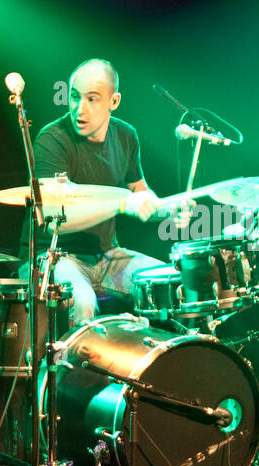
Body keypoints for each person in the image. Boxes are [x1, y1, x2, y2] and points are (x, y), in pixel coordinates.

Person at [25, 58, 169, 324]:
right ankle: (71, 366)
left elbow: (141, 194)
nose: (80, 109)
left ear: (113, 102)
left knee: (169, 284)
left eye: (92, 99)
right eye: (74, 97)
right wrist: (122, 204)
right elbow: (54, 222)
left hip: (107, 256)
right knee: (83, 300)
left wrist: (170, 210)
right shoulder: (53, 139)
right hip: (55, 257)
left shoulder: (126, 135)